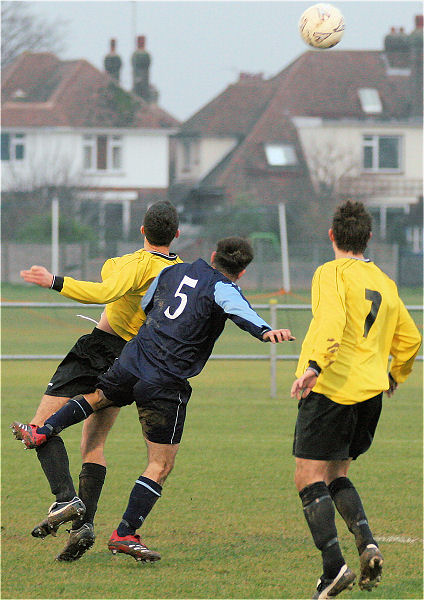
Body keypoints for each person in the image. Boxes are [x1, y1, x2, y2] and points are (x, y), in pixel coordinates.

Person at [13, 236, 295, 563]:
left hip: (133, 358)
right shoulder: (224, 286)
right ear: (243, 272)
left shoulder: (175, 271)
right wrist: (265, 331)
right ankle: (125, 533)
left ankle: (43, 431)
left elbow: (148, 305)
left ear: (213, 254)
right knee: (160, 464)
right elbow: (239, 310)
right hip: (165, 381)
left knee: (97, 397)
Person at [16, 200, 182, 562]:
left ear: (142, 230)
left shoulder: (132, 263)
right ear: (177, 235)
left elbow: (105, 290)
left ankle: (66, 499)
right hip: (132, 360)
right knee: (93, 445)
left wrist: (54, 281)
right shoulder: (180, 272)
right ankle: (83, 527)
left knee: (39, 428)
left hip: (99, 349)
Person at [290, 201, 421, 599]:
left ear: (332, 236)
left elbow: (331, 320)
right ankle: (367, 544)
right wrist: (395, 373)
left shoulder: (330, 273)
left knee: (307, 477)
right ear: (368, 238)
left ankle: (334, 569)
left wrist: (314, 364)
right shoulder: (384, 280)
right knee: (336, 475)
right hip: (369, 394)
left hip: (333, 388)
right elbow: (411, 338)